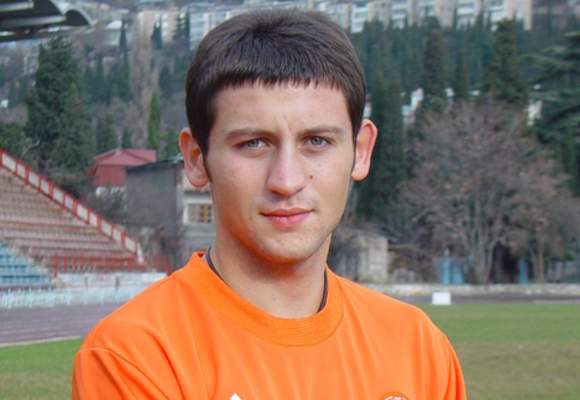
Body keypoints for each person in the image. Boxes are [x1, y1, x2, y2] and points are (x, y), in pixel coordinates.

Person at [72, 9, 466, 400]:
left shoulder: (420, 351)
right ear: (196, 159)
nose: (287, 180)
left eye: (317, 141)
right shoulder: (133, 357)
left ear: (360, 151)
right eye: (254, 143)